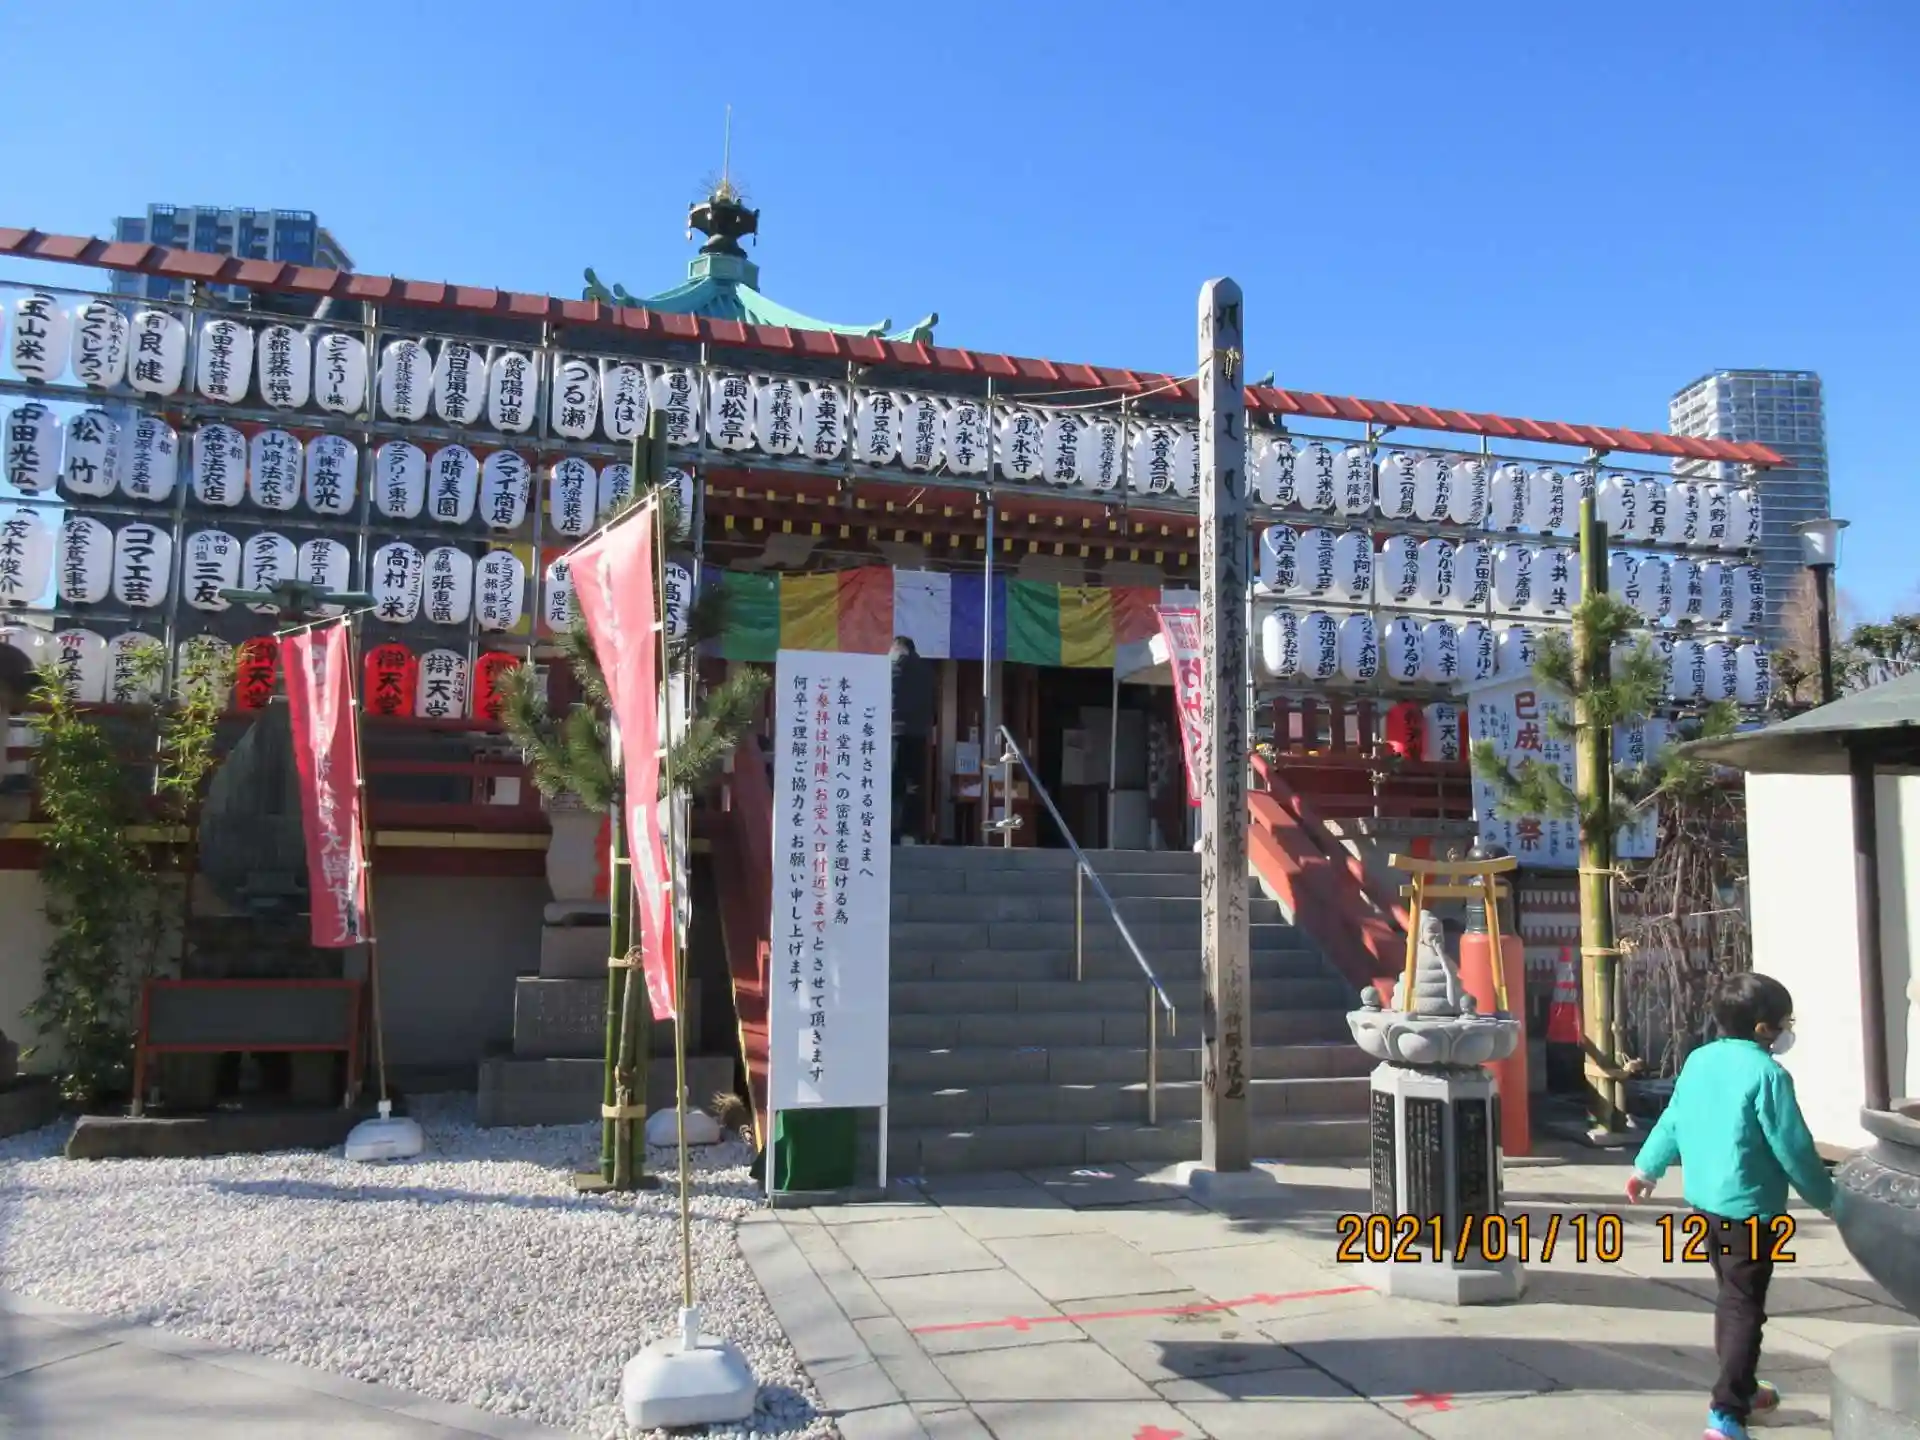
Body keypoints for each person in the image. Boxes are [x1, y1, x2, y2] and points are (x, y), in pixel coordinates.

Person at [1625, 972, 1835, 1440]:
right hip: (1750, 1212)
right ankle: (1726, 1412)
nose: (1787, 1031)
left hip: (1705, 1204)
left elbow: (1673, 1120)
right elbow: (1794, 1148)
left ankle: (1743, 1386)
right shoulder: (1769, 1075)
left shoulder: (1699, 1061)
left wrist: (1646, 1169)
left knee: (1731, 1299)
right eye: (1785, 1023)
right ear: (1763, 1029)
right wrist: (1828, 1199)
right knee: (1744, 1308)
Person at [889, 636, 934, 843]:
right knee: (914, 786)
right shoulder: (927, 672)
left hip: (895, 733)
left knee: (894, 784)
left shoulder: (894, 667)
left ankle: (893, 832)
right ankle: (912, 833)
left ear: (898, 648)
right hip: (920, 734)